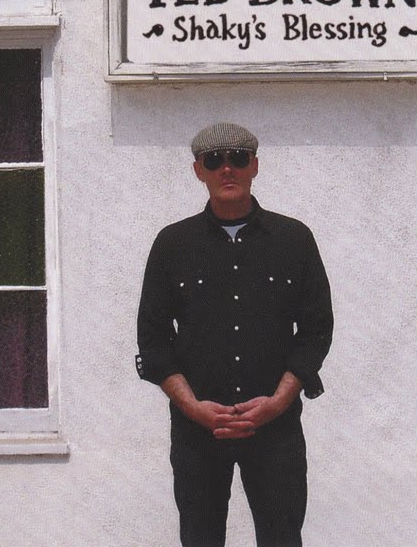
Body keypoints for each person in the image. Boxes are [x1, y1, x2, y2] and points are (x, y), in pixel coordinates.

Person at [136, 122, 334, 547]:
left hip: (276, 430)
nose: (227, 169)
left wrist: (278, 402)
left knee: (282, 539)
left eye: (238, 159)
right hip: (197, 433)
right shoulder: (172, 245)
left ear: (255, 166)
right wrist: (194, 408)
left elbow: (316, 329)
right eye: (214, 161)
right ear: (198, 171)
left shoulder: (294, 240)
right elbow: (153, 341)